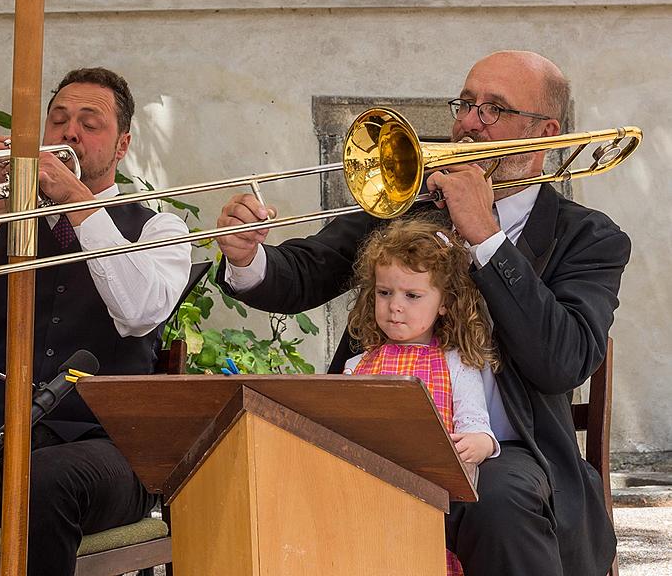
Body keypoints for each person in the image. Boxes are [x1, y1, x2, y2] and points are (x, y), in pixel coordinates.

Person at [215, 50, 629, 575]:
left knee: (496, 502)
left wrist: (486, 236)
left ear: (545, 134)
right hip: (379, 435)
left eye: (494, 109)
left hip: (507, 448)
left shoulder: (590, 237)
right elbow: (310, 269)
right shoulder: (407, 204)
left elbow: (562, 361)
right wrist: (250, 257)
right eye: (466, 104)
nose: (468, 124)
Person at [0, 67, 191, 575]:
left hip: (112, 453)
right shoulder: (7, 226)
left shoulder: (158, 227)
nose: (69, 133)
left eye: (88, 123)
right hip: (1, 452)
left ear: (121, 146)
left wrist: (76, 199)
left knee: (46, 480)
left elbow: (140, 311)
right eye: (57, 121)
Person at [344, 218, 500, 575]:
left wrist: (480, 442)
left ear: (444, 302)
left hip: (431, 498)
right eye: (385, 293)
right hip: (368, 494)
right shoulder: (358, 365)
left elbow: (474, 418)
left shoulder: (455, 363)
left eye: (412, 295)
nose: (395, 306)